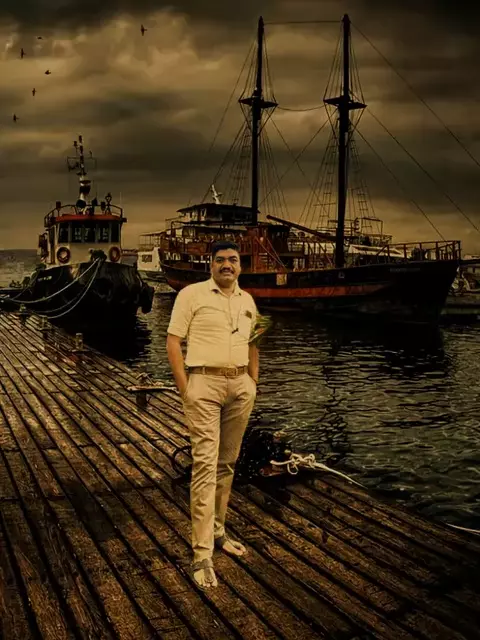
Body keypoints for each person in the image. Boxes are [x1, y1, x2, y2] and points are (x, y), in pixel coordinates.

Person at [166, 241, 259, 588]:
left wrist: (253, 382)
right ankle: (202, 553)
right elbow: (173, 342)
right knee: (205, 466)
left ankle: (218, 532)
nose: (226, 265)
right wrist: (185, 388)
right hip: (203, 383)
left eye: (233, 260)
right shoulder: (191, 295)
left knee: (227, 463)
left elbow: (254, 342)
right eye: (220, 260)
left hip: (240, 385)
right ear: (211, 265)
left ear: (240, 266)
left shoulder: (248, 301)